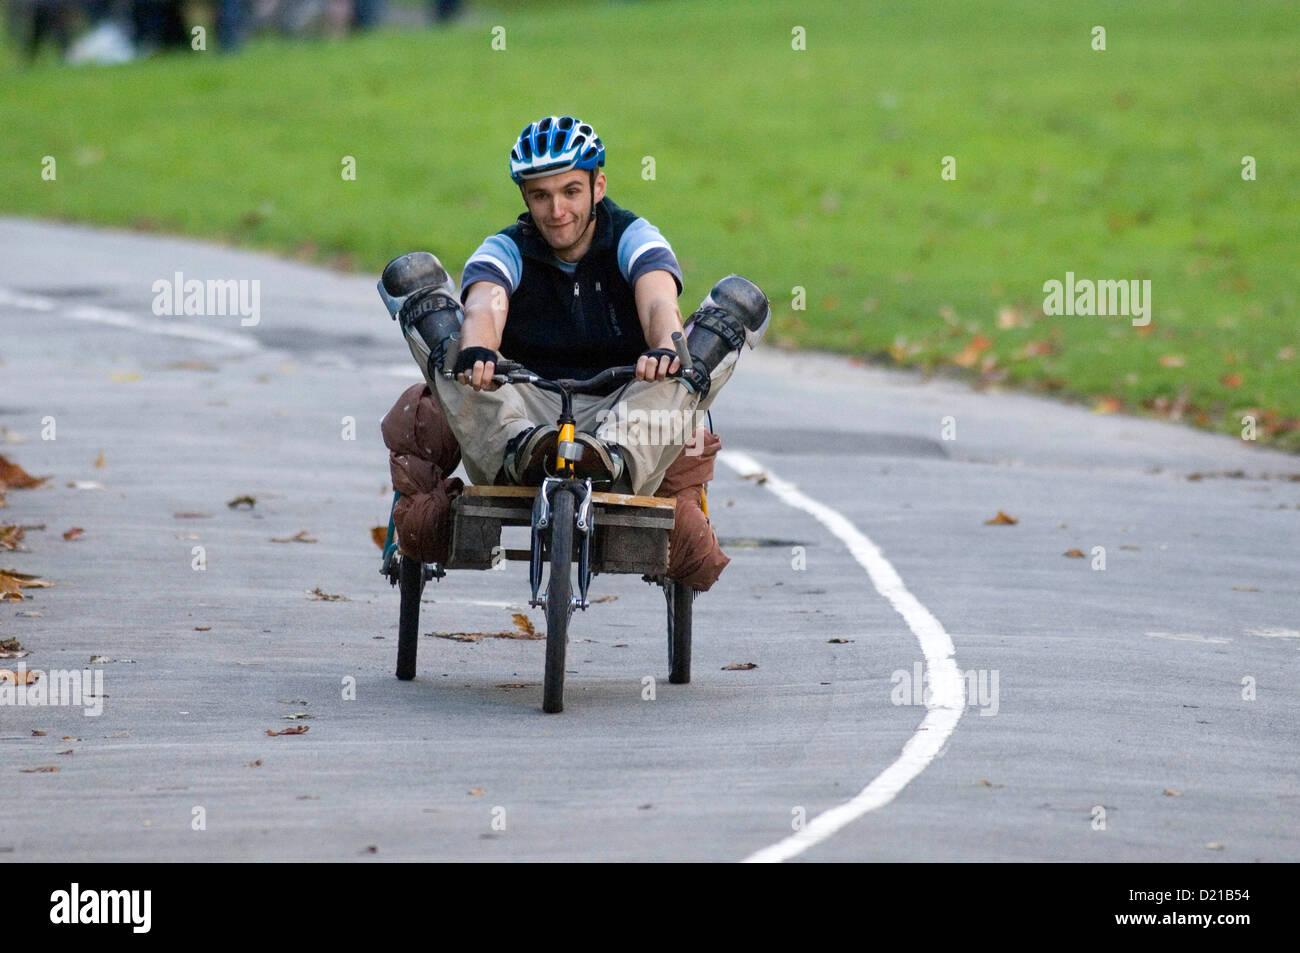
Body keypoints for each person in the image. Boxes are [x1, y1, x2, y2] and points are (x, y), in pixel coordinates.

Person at [394, 115, 769, 497]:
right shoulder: (505, 249)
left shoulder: (634, 237)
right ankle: (524, 454)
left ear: (598, 186)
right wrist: (477, 350)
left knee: (723, 318)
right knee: (439, 325)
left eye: (570, 191)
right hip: (521, 416)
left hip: (625, 415)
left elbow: (658, 301)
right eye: (541, 195)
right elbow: (484, 308)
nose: (557, 211)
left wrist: (662, 350)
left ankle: (611, 462)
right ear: (526, 197)